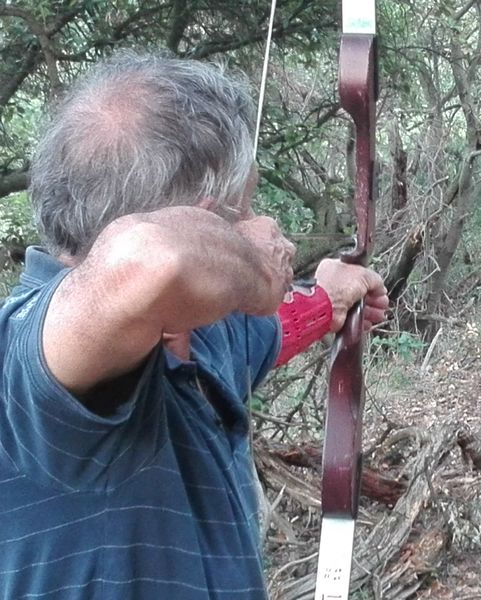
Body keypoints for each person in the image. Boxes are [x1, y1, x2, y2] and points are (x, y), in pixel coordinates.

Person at [0, 51, 388, 599]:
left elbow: (262, 334)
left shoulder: (193, 336)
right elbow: (151, 259)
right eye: (244, 210)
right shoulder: (28, 355)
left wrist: (329, 298)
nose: (254, 226)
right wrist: (252, 268)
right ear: (203, 221)